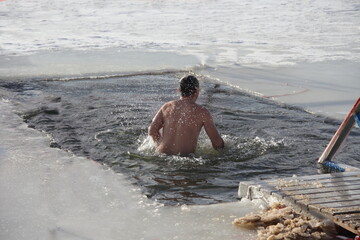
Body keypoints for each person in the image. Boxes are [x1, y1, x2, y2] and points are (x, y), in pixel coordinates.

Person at [148, 75, 224, 156]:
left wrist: (161, 144)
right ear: (196, 91)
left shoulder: (167, 106)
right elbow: (217, 144)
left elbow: (152, 130)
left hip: (162, 155)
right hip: (185, 158)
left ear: (179, 90)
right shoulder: (202, 112)